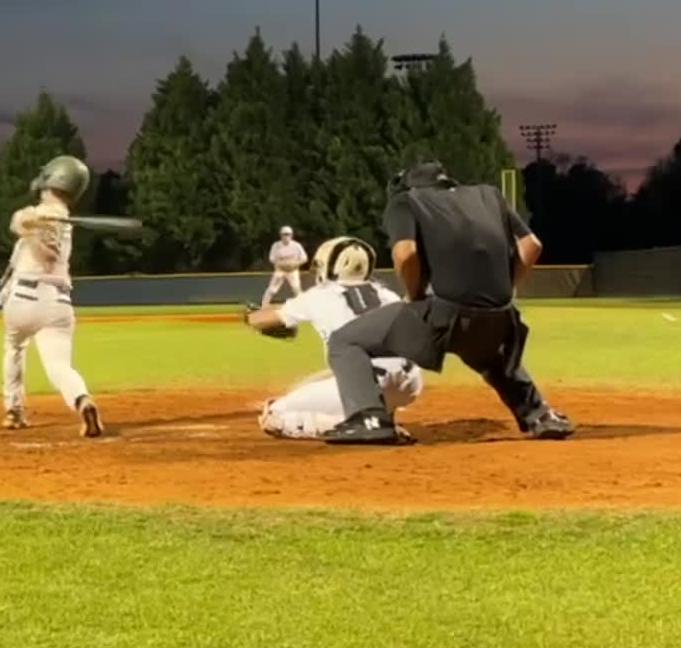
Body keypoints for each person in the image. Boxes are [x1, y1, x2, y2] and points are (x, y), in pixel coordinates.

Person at [322, 161, 574, 444]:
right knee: (489, 355)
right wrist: (506, 290)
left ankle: (368, 417)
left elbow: (405, 254)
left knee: (345, 341)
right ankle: (539, 414)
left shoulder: (406, 201)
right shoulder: (490, 195)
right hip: (500, 318)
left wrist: (414, 294)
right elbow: (532, 245)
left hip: (443, 316)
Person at [245, 236, 423, 439]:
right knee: (318, 380)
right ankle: (381, 416)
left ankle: (368, 424)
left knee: (273, 415)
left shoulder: (319, 295)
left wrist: (248, 316)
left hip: (370, 382)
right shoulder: (387, 294)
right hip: (411, 382)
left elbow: (262, 320)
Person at [0, 155, 105, 438]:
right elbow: (21, 223)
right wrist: (30, 220)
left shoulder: (44, 214)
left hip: (23, 299)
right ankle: (82, 399)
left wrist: (28, 221)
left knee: (14, 347)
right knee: (59, 365)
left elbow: (18, 226)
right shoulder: (59, 218)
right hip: (58, 303)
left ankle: (14, 410)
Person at [261, 226, 307, 305]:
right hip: (280, 270)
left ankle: (302, 307)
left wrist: (295, 264)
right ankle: (264, 305)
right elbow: (271, 258)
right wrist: (281, 264)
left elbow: (304, 258)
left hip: (292, 270)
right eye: (284, 234)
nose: (286, 236)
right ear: (280, 235)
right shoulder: (276, 245)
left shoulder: (296, 245)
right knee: (272, 289)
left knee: (296, 288)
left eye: (288, 234)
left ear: (291, 235)